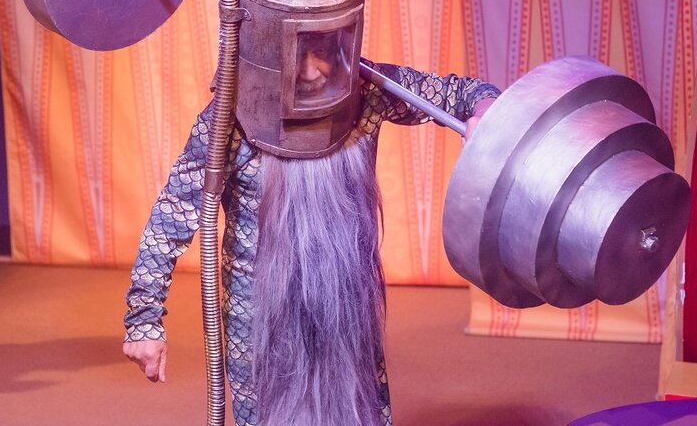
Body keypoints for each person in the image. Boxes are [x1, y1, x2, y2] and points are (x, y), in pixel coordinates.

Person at [122, 37, 499, 426]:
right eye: (295, 56)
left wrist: (485, 114)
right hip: (258, 314)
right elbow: (172, 213)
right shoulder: (231, 115)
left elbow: (464, 94)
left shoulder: (365, 88)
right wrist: (144, 320)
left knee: (356, 411)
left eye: (321, 52)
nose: (311, 71)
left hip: (346, 304)